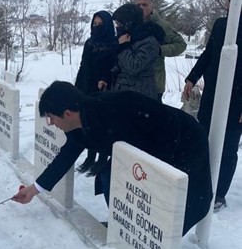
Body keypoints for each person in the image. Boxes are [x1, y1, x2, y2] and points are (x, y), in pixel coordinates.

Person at [13, 81, 213, 236]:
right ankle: (125, 225)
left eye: (51, 117)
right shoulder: (77, 128)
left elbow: (168, 125)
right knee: (109, 176)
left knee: (180, 201)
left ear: (67, 113)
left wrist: (155, 172)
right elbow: (65, 157)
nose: (50, 123)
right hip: (142, 149)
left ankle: (158, 241)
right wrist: (35, 189)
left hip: (183, 142)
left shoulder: (120, 104)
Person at [183, 0, 242, 212]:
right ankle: (202, 185)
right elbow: (209, 54)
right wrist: (192, 78)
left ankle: (219, 194)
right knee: (205, 140)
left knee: (227, 149)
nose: (230, 1)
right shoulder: (221, 24)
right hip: (212, 94)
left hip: (237, 100)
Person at [74, 10, 117, 177]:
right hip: (86, 87)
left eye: (100, 24)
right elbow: (83, 66)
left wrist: (105, 79)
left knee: (103, 126)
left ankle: (102, 158)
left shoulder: (114, 44)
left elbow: (114, 67)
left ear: (107, 25)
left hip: (103, 89)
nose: (97, 27)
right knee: (88, 124)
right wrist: (77, 89)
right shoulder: (89, 43)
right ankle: (90, 157)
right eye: (95, 24)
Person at [135, 0, 187, 102]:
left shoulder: (162, 26)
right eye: (138, 5)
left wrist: (160, 50)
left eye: (144, 5)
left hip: (154, 83)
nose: (140, 7)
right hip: (132, 83)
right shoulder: (130, 25)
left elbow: (181, 45)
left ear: (152, 7)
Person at [111, 4, 164, 100]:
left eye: (120, 24)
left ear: (129, 23)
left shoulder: (148, 41)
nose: (118, 27)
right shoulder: (127, 38)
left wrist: (123, 47)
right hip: (122, 93)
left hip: (140, 95)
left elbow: (134, 66)